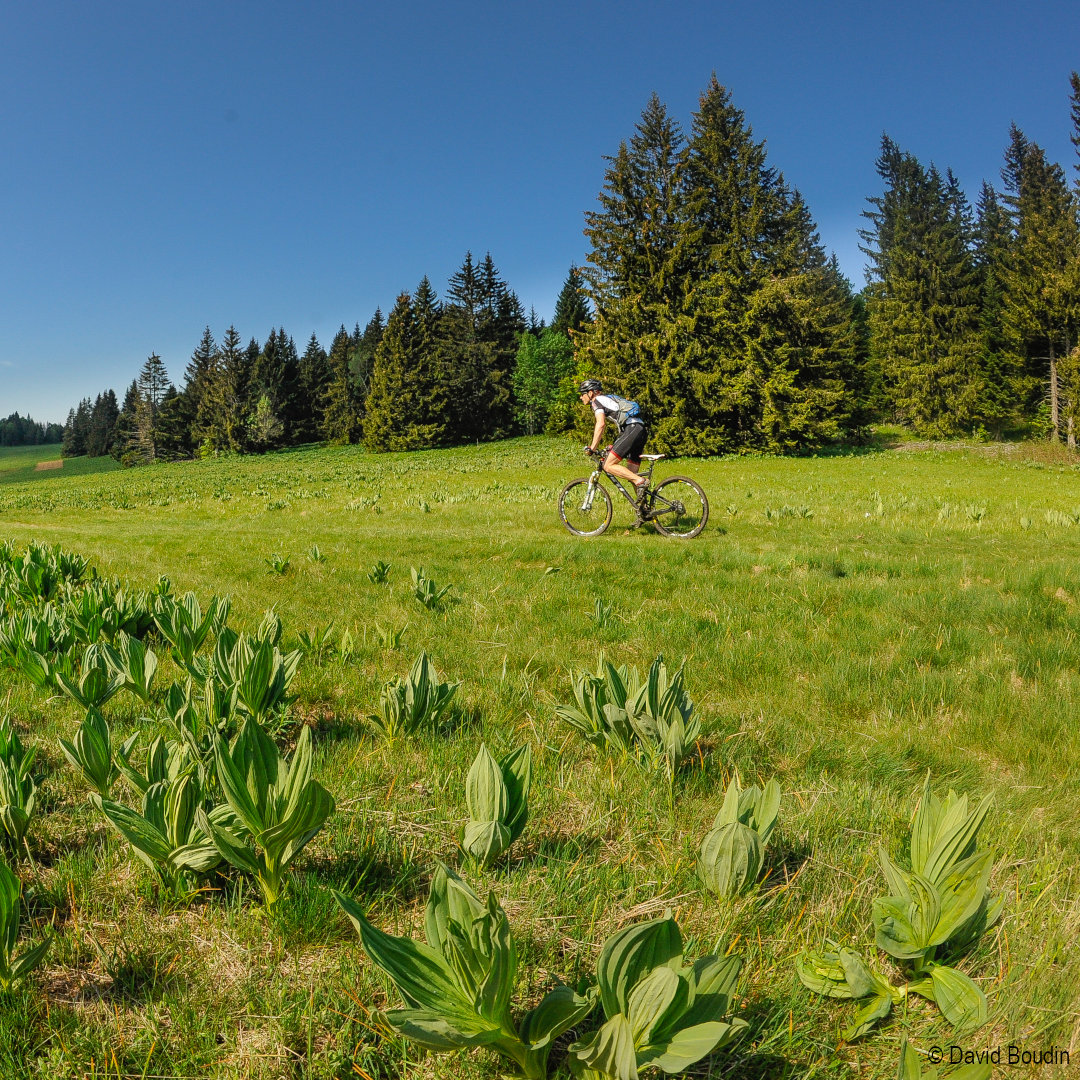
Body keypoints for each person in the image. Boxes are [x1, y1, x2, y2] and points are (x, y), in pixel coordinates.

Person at [578, 379, 650, 503]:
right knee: (632, 474)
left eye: (582, 393)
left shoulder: (596, 401)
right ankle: (645, 512)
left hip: (632, 429)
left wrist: (592, 448)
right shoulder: (608, 398)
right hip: (640, 430)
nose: (580, 397)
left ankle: (642, 481)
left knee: (608, 465)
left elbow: (600, 424)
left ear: (590, 393)